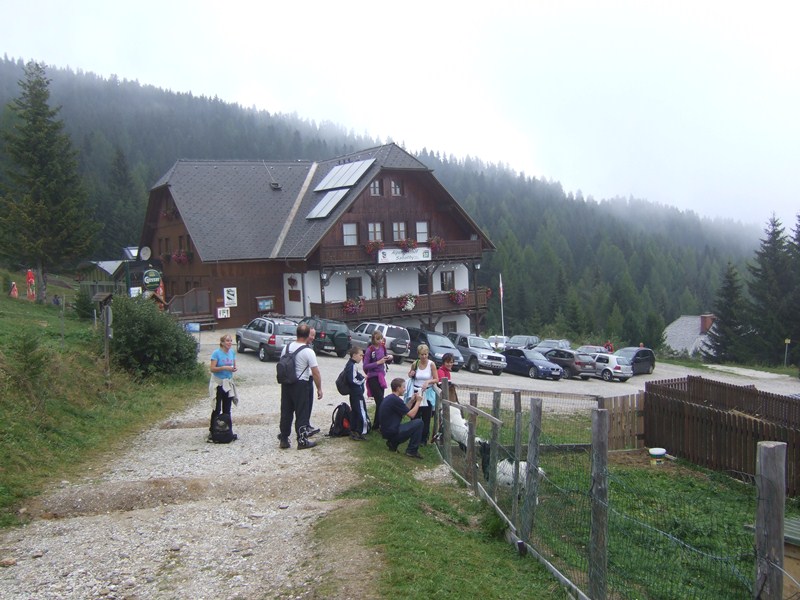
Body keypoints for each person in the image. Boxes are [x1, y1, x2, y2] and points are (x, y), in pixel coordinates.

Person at [278, 323, 322, 450]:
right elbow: (315, 372)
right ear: (308, 335)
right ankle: (302, 440)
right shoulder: (308, 351)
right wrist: (319, 388)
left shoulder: (286, 348)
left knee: (286, 411)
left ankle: (284, 439)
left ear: (296, 334)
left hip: (286, 383)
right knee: (301, 412)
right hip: (301, 384)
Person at [379, 378, 424, 459]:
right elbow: (412, 415)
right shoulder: (396, 400)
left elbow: (404, 412)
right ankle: (411, 451)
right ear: (398, 388)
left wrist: (412, 401)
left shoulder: (390, 398)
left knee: (415, 423)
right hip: (392, 432)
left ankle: (393, 443)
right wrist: (418, 402)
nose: (405, 389)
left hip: (387, 431)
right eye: (403, 387)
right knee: (419, 423)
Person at [407, 344, 438, 446]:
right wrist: (411, 374)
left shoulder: (431, 364)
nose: (424, 356)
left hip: (427, 393)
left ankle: (423, 439)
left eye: (426, 354)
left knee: (426, 418)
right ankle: (413, 436)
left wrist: (428, 381)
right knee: (414, 416)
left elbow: (436, 379)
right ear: (418, 355)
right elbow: (410, 374)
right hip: (416, 392)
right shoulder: (415, 363)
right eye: (422, 354)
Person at [209, 334, 238, 440]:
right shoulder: (216, 353)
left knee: (227, 408)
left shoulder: (232, 352)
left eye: (230, 341)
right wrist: (224, 367)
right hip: (218, 383)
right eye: (227, 341)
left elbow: (233, 365)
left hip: (228, 383)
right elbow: (212, 368)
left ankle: (227, 430)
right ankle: (213, 431)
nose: (229, 343)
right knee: (217, 408)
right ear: (222, 343)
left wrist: (234, 368)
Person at [362, 330, 392, 431]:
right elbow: (365, 366)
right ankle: (378, 425)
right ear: (373, 339)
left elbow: (386, 359)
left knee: (380, 402)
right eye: (377, 339)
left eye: (381, 339)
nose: (379, 341)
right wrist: (378, 362)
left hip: (381, 376)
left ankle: (377, 425)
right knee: (380, 401)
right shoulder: (370, 350)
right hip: (373, 377)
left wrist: (389, 358)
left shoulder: (383, 347)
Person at [344, 347, 369, 440]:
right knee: (361, 411)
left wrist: (360, 376)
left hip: (353, 393)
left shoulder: (351, 364)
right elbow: (352, 380)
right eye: (360, 355)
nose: (362, 357)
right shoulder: (352, 365)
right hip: (356, 393)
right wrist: (363, 379)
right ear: (354, 355)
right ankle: (360, 431)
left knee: (355, 411)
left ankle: (353, 430)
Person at [304, 327, 320, 436]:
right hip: (303, 379)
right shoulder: (303, 347)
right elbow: (315, 371)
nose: (313, 338)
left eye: (314, 335)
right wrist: (319, 388)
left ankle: (307, 424)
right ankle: (304, 427)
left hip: (309, 379)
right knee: (304, 404)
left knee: (309, 403)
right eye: (311, 335)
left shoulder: (310, 346)